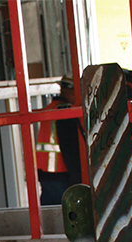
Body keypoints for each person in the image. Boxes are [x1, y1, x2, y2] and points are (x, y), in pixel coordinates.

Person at [36, 75, 82, 205]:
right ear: (72, 91)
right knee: (69, 212)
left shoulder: (50, 108)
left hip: (46, 173)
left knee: (49, 212)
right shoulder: (64, 112)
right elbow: (70, 149)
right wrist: (78, 178)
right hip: (60, 173)